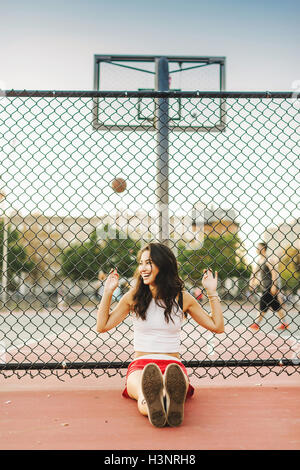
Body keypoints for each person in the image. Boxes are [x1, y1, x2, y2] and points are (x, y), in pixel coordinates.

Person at [96, 242, 224, 428]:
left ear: (163, 265)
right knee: (144, 390)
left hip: (173, 368)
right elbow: (102, 326)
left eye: (148, 263)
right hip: (141, 367)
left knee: (159, 387)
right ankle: (166, 403)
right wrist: (108, 292)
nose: (143, 268)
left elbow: (217, 326)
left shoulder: (182, 297)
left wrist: (211, 291)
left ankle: (168, 398)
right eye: (141, 263)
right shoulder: (133, 296)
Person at [249, 242, 288, 330]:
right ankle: (284, 323)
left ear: (263, 248)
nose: (256, 249)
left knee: (262, 305)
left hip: (269, 287)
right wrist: (251, 281)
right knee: (276, 306)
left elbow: (274, 273)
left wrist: (274, 286)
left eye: (258, 247)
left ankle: (256, 324)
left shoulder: (268, 259)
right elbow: (255, 272)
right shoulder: (259, 260)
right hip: (264, 287)